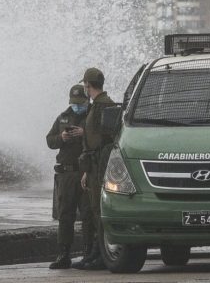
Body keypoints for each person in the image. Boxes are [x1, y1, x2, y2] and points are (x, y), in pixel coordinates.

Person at [73, 67, 116, 270]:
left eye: (85, 84)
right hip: (93, 165)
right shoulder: (97, 105)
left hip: (100, 165)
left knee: (99, 210)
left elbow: (107, 141)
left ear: (88, 85)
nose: (84, 87)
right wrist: (86, 171)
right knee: (94, 210)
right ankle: (95, 253)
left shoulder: (104, 105)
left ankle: (101, 254)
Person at [45, 84, 92, 269]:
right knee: (65, 215)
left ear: (87, 100)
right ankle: (63, 254)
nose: (77, 106)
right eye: (74, 103)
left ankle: (89, 253)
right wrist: (62, 138)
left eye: (80, 103)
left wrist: (84, 134)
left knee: (88, 214)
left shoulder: (92, 116)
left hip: (85, 172)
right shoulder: (63, 117)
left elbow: (104, 137)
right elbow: (50, 140)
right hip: (66, 173)